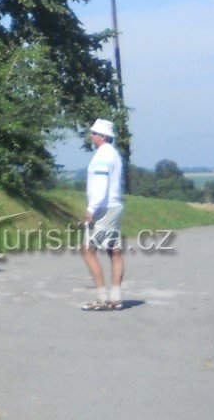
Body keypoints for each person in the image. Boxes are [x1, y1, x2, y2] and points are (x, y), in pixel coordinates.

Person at [80, 116, 125, 310]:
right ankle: (115, 296)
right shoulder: (113, 154)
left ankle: (102, 297)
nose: (91, 136)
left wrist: (91, 208)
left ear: (103, 137)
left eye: (94, 133)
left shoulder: (102, 156)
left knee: (88, 251)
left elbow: (100, 184)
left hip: (102, 209)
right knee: (114, 250)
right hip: (114, 207)